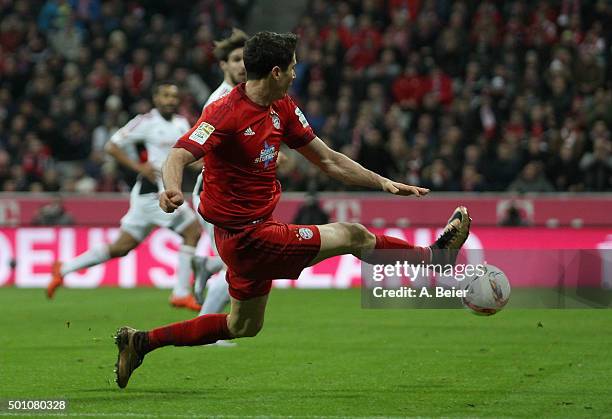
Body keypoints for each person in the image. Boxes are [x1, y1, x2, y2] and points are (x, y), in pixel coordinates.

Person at [113, 32, 471, 388]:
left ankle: (141, 341)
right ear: (274, 72)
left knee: (243, 326)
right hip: (248, 237)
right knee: (352, 234)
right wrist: (172, 188)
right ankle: (433, 257)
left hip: (252, 232)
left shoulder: (281, 106)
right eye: (292, 68)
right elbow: (179, 154)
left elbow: (328, 160)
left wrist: (382, 182)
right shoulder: (226, 113)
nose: (296, 74)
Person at [47, 81, 204, 311]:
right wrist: (137, 166)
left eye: (174, 96)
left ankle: (63, 269)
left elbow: (187, 160)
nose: (171, 100)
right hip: (154, 192)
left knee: (121, 247)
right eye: (166, 96)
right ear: (156, 99)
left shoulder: (182, 123)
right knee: (192, 231)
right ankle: (180, 292)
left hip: (151, 195)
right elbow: (112, 146)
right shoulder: (145, 122)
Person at [190, 28, 249, 346]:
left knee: (235, 263)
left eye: (246, 59)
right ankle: (206, 330)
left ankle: (206, 265)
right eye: (236, 59)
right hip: (219, 194)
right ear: (224, 65)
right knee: (238, 266)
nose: (242, 65)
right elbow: (201, 148)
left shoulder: (247, 96)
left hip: (233, 193)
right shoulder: (220, 101)